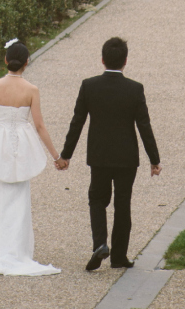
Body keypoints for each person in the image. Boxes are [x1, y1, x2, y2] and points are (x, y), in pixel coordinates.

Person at [57, 35, 160, 272]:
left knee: (97, 199)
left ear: (102, 59)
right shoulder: (135, 89)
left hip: (99, 155)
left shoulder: (89, 86)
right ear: (125, 61)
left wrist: (66, 154)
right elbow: (144, 126)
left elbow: (77, 122)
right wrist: (154, 160)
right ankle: (119, 256)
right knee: (123, 204)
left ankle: (100, 243)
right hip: (126, 158)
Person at [0, 37, 62, 277]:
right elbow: (39, 126)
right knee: (20, 198)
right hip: (21, 146)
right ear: (27, 62)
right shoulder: (31, 90)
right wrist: (56, 156)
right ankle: (17, 250)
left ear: (5, 60)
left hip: (0, 144)